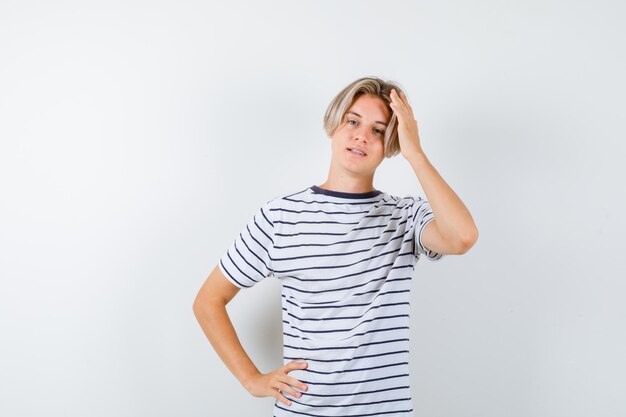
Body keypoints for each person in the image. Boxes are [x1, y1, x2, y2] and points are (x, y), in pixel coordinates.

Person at [193, 76, 478, 416]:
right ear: (334, 125)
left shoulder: (405, 216)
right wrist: (251, 379)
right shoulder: (281, 216)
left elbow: (462, 237)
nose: (361, 135)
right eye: (353, 121)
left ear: (391, 143)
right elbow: (209, 301)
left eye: (378, 130)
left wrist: (414, 153)